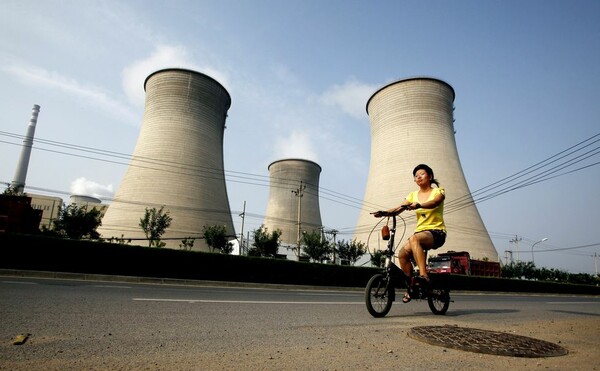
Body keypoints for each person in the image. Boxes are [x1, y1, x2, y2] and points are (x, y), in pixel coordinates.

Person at [373, 164, 446, 303]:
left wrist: (419, 205)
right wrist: (385, 212)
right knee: (402, 255)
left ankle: (424, 277)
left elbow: (435, 202)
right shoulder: (413, 195)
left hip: (436, 232)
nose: (418, 177)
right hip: (420, 234)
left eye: (422, 174)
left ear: (430, 176)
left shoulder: (438, 191)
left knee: (414, 239)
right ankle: (411, 286)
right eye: (416, 175)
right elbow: (399, 208)